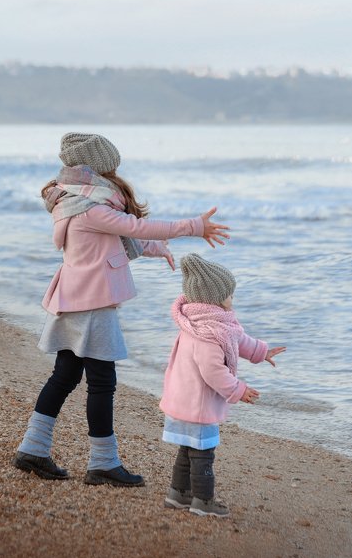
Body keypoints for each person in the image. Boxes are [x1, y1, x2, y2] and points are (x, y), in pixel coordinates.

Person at [14, 133, 230, 487]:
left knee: (65, 376)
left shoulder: (75, 202)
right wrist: (194, 226)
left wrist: (155, 248)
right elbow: (134, 227)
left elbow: (116, 239)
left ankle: (33, 449)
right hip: (92, 304)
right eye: (111, 164)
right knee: (101, 383)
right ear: (98, 167)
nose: (115, 170)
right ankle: (102, 463)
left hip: (73, 299)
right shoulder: (91, 208)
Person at [159, 253, 286, 516]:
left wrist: (262, 353)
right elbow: (213, 372)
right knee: (203, 453)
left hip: (184, 400)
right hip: (199, 404)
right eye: (229, 294)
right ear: (214, 298)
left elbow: (238, 340)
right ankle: (203, 502)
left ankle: (178, 494)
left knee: (188, 448)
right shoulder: (208, 333)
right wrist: (239, 390)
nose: (232, 299)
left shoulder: (203, 323)